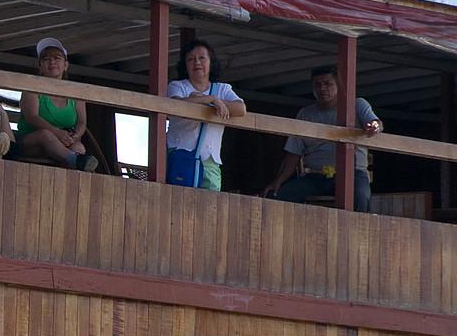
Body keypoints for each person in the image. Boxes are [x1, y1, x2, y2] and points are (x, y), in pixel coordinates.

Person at [263, 65, 382, 211]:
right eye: (317, 85)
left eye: (328, 84)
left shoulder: (357, 105)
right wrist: (279, 181)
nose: (322, 89)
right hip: (315, 176)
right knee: (275, 196)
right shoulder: (305, 114)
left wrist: (374, 126)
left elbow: (375, 123)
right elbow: (293, 153)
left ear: (338, 85)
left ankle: (358, 234)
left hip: (352, 174)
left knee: (361, 199)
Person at [164, 38, 244, 190]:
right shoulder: (177, 86)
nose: (197, 63)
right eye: (191, 59)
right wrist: (212, 100)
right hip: (181, 155)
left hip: (210, 160)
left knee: (211, 208)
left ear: (211, 62)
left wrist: (206, 100)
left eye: (202, 58)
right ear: (185, 65)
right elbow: (178, 106)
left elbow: (241, 109)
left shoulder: (223, 89)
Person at [16, 37, 98, 172]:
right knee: (45, 135)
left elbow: (82, 122)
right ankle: (75, 161)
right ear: (40, 66)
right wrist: (57, 133)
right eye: (46, 59)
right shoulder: (31, 88)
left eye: (57, 58)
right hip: (31, 141)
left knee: (79, 148)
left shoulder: (76, 93)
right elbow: (32, 117)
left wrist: (74, 136)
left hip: (62, 142)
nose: (52, 62)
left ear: (66, 65)